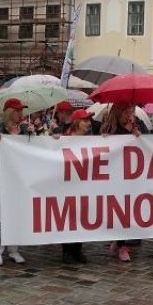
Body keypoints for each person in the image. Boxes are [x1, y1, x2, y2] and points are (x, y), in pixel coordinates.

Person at [0, 98, 30, 266]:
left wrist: (33, 134)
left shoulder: (24, 129)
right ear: (10, 112)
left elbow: (33, 150)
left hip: (17, 177)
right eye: (18, 111)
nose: (21, 114)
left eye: (21, 111)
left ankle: (14, 249)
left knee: (15, 214)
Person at [101, 102, 141, 262]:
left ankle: (120, 243)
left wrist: (137, 133)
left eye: (130, 111)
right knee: (118, 210)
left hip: (130, 176)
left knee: (127, 210)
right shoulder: (108, 129)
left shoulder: (136, 126)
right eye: (126, 112)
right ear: (118, 113)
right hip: (114, 176)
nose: (129, 115)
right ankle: (120, 243)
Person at [55, 108, 93, 264]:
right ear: (77, 123)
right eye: (85, 120)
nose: (89, 123)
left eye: (89, 120)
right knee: (68, 218)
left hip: (82, 185)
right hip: (67, 185)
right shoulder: (65, 138)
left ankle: (77, 249)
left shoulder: (90, 140)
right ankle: (67, 251)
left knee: (81, 217)